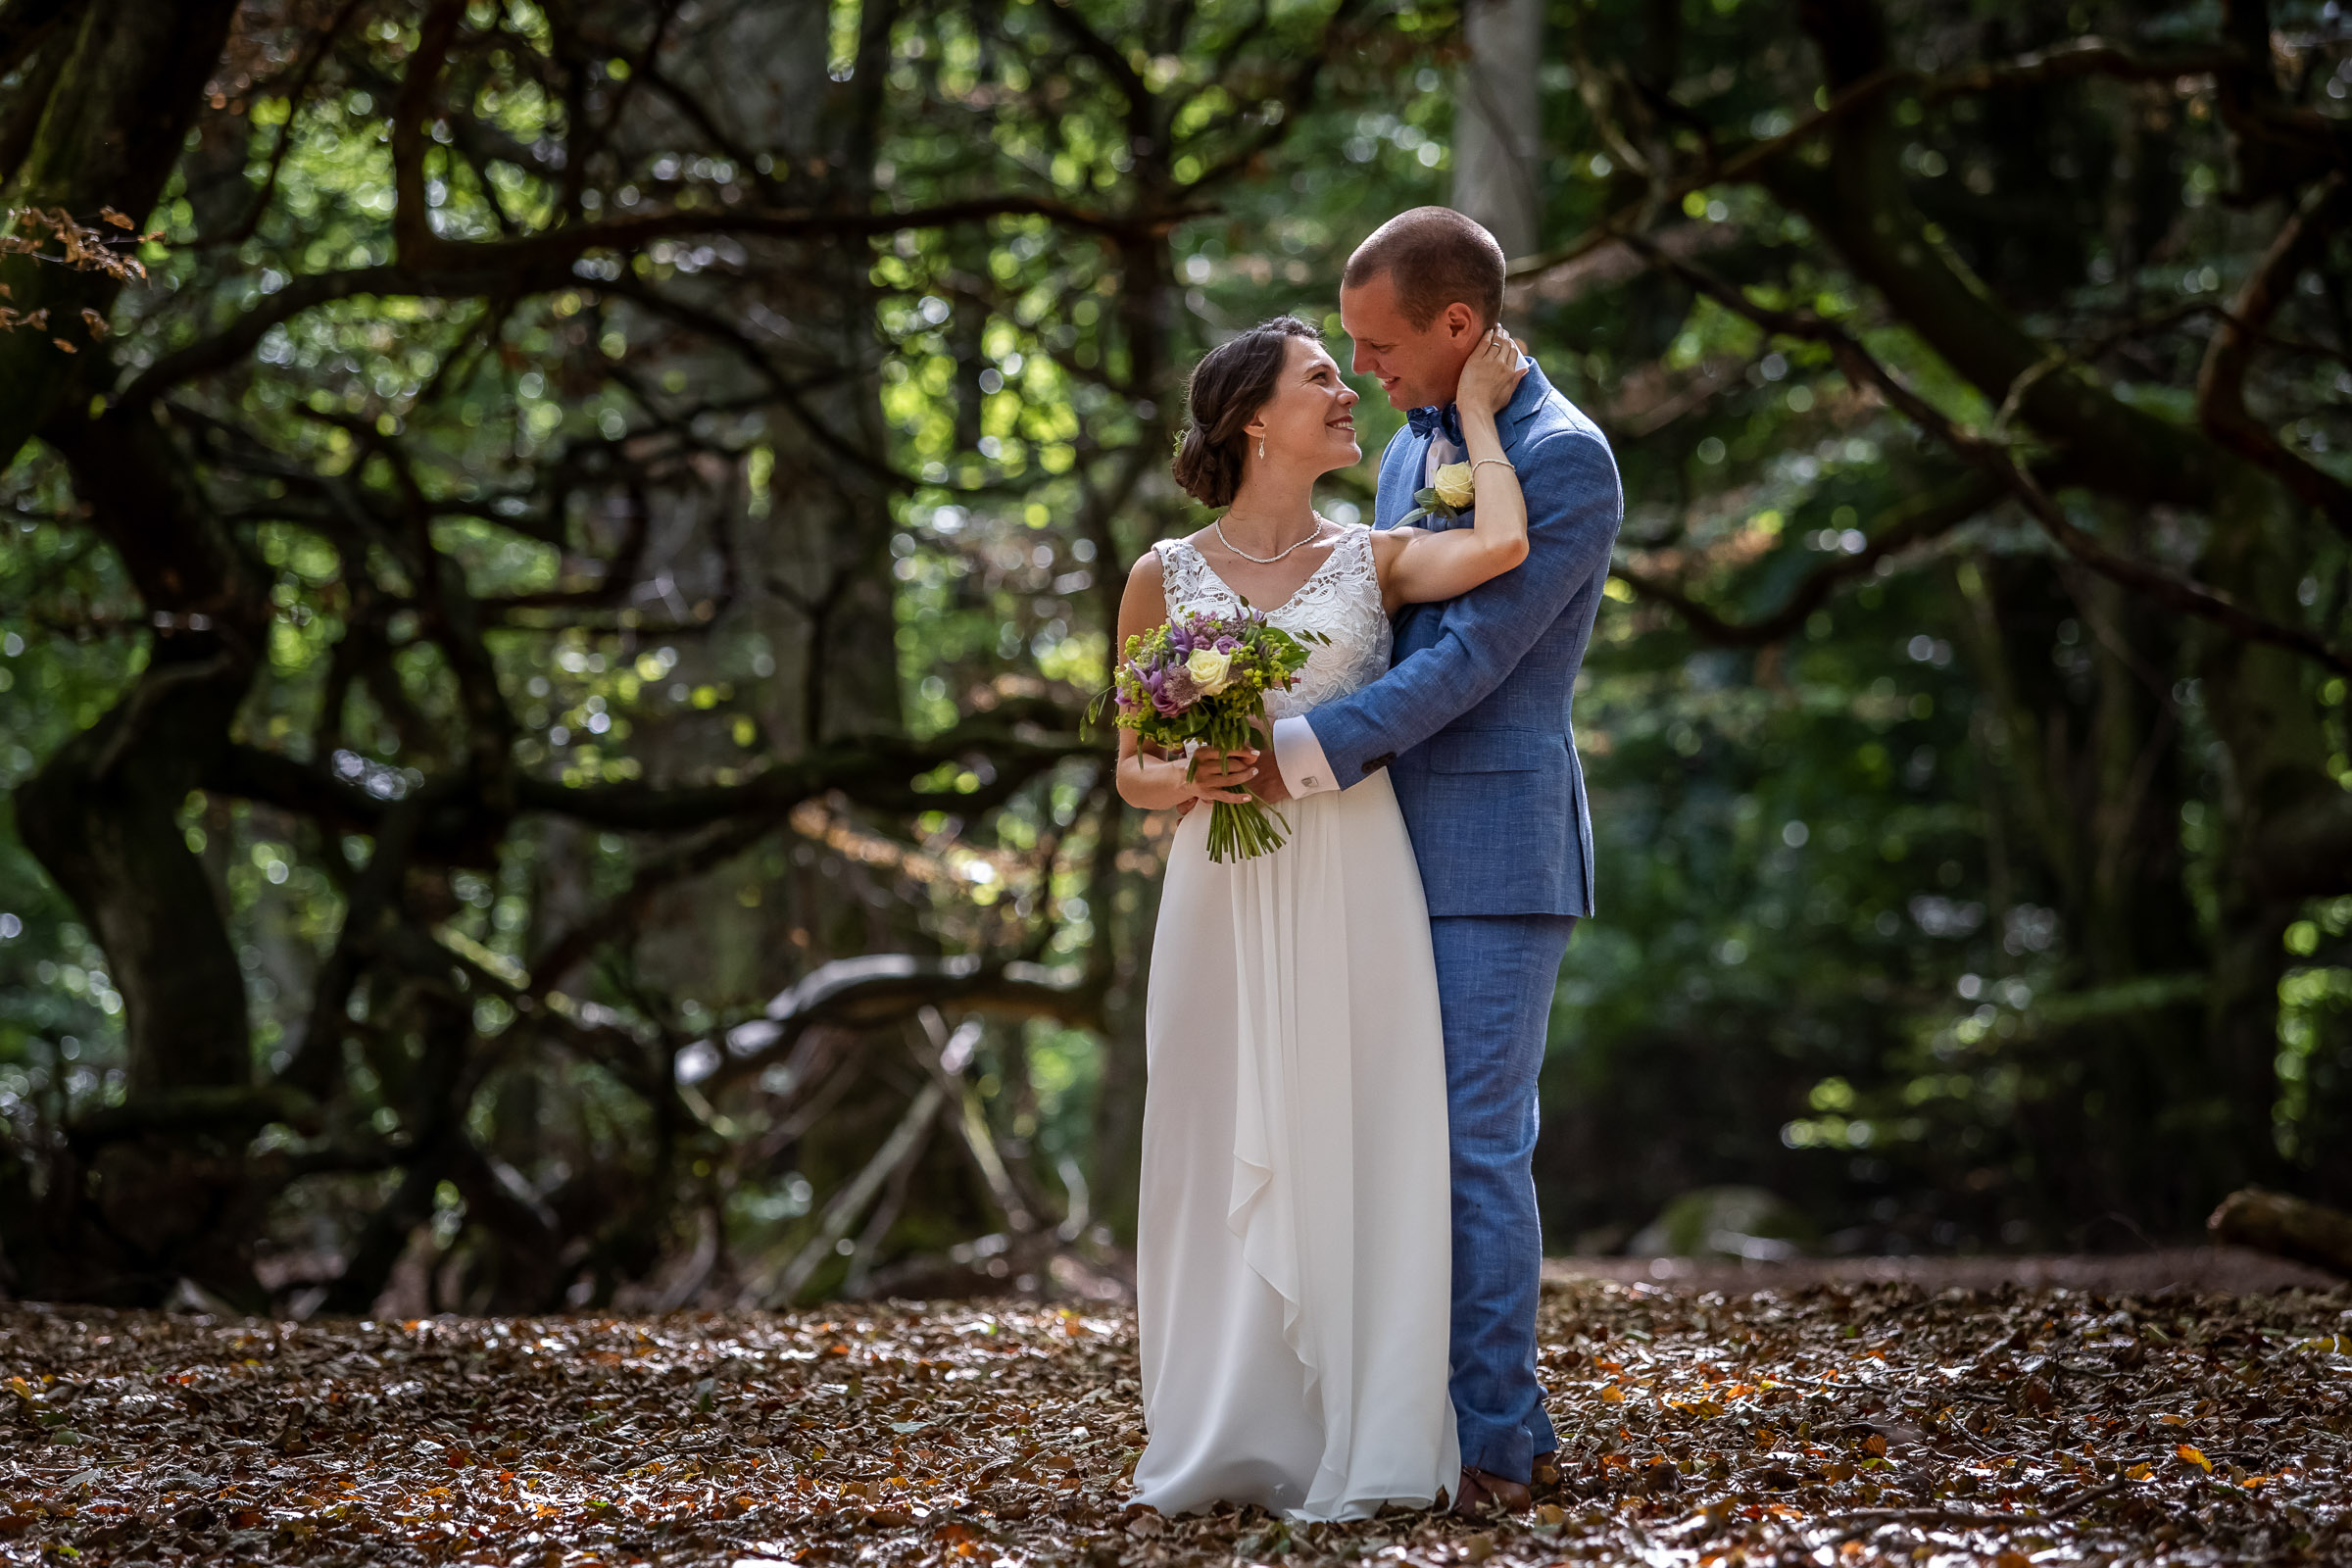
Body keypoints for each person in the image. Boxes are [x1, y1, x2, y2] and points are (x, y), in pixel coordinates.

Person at [1117, 313, 1532, 1520]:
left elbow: (1503, 544)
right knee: (1214, 1138)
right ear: (1256, 417)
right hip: (1218, 889)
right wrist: (1189, 776)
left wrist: (1488, 424)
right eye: (1320, 379)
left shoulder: (1378, 556)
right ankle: (1226, 1428)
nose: (1349, 391)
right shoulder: (1162, 573)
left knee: (1359, 1128)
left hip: (1355, 877)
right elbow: (1135, 766)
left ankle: (1368, 1425)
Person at [1254, 206, 1624, 1515]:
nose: (1362, 372)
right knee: (1395, 1144)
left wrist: (1298, 749)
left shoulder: (1566, 461)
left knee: (1474, 1147)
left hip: (1496, 854)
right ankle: (1407, 1422)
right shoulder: (1421, 445)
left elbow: (1467, 664)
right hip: (1382, 849)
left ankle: (1500, 1445)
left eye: (1381, 344)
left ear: (1458, 327)